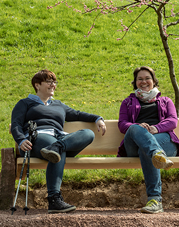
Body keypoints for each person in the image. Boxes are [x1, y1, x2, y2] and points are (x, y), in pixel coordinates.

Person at [11, 69, 107, 213]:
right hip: (38, 137)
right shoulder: (25, 103)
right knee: (58, 151)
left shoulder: (59, 105)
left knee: (88, 134)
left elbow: (77, 114)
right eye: (49, 82)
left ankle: (57, 147)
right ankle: (54, 199)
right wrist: (21, 140)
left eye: (54, 82)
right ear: (37, 85)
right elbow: (16, 124)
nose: (53, 85)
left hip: (59, 138)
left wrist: (97, 118)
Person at [117, 66, 179, 214]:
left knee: (145, 149)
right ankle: (157, 154)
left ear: (154, 81)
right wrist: (139, 126)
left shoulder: (166, 101)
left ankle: (155, 200)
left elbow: (173, 121)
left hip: (163, 140)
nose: (144, 81)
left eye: (147, 78)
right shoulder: (127, 102)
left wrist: (156, 128)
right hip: (134, 144)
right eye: (140, 79)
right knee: (133, 129)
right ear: (135, 82)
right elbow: (122, 124)